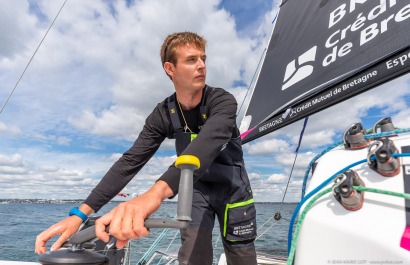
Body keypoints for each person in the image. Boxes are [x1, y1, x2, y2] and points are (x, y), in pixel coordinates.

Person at [35, 31, 257, 265]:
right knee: (193, 257)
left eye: (203, 58)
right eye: (191, 60)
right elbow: (130, 161)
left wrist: (154, 194)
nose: (202, 65)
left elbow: (208, 142)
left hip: (233, 188)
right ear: (170, 68)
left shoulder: (222, 101)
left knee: (241, 257)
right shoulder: (163, 114)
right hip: (195, 191)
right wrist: (81, 214)